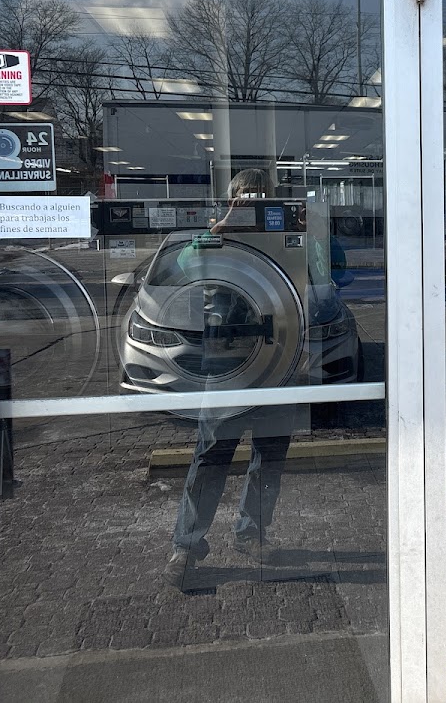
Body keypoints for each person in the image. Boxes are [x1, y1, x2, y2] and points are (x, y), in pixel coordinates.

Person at [164, 168, 297, 589]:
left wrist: (301, 242)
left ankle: (252, 532)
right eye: (244, 197)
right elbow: (183, 267)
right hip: (227, 365)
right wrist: (216, 234)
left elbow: (330, 275)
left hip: (280, 360)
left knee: (269, 455)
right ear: (230, 201)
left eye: (260, 196)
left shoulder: (289, 235)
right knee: (211, 455)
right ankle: (186, 545)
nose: (252, 203)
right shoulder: (214, 238)